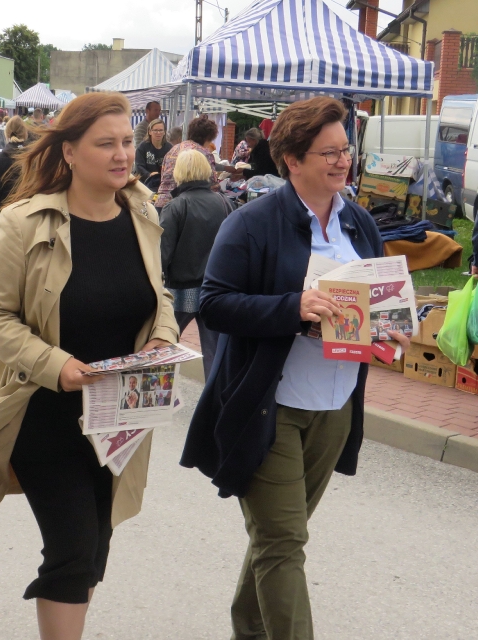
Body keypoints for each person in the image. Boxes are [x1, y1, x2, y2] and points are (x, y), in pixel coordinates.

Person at [0, 92, 179, 640]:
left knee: (95, 549)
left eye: (126, 141)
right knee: (73, 551)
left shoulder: (143, 212)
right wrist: (56, 365)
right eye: (105, 144)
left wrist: (163, 336)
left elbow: (161, 295)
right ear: (70, 152)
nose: (122, 154)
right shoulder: (23, 221)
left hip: (118, 417)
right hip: (44, 414)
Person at [180, 96, 411, 640]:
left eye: (346, 150)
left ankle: (248, 629)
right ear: (292, 160)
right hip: (271, 405)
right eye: (328, 153)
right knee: (284, 542)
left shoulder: (359, 223)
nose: (342, 161)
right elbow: (214, 304)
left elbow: (371, 302)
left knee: (279, 537)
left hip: (335, 406)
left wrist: (389, 326)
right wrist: (293, 307)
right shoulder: (251, 223)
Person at [160, 150, 234, 380]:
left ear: (179, 172)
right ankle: (215, 397)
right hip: (216, 289)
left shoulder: (176, 206)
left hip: (181, 289)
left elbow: (162, 253)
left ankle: (160, 391)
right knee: (214, 353)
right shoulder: (225, 202)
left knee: (163, 345)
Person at [156, 117, 224, 209]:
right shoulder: (204, 154)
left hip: (161, 203)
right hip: (184, 207)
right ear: (208, 137)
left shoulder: (173, 150)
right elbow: (213, 185)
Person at [133, 118, 171, 193]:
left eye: (161, 130)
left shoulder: (169, 148)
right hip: (144, 184)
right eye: (155, 130)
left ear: (164, 132)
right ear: (150, 132)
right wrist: (149, 174)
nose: (158, 133)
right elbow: (138, 166)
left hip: (163, 185)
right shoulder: (142, 147)